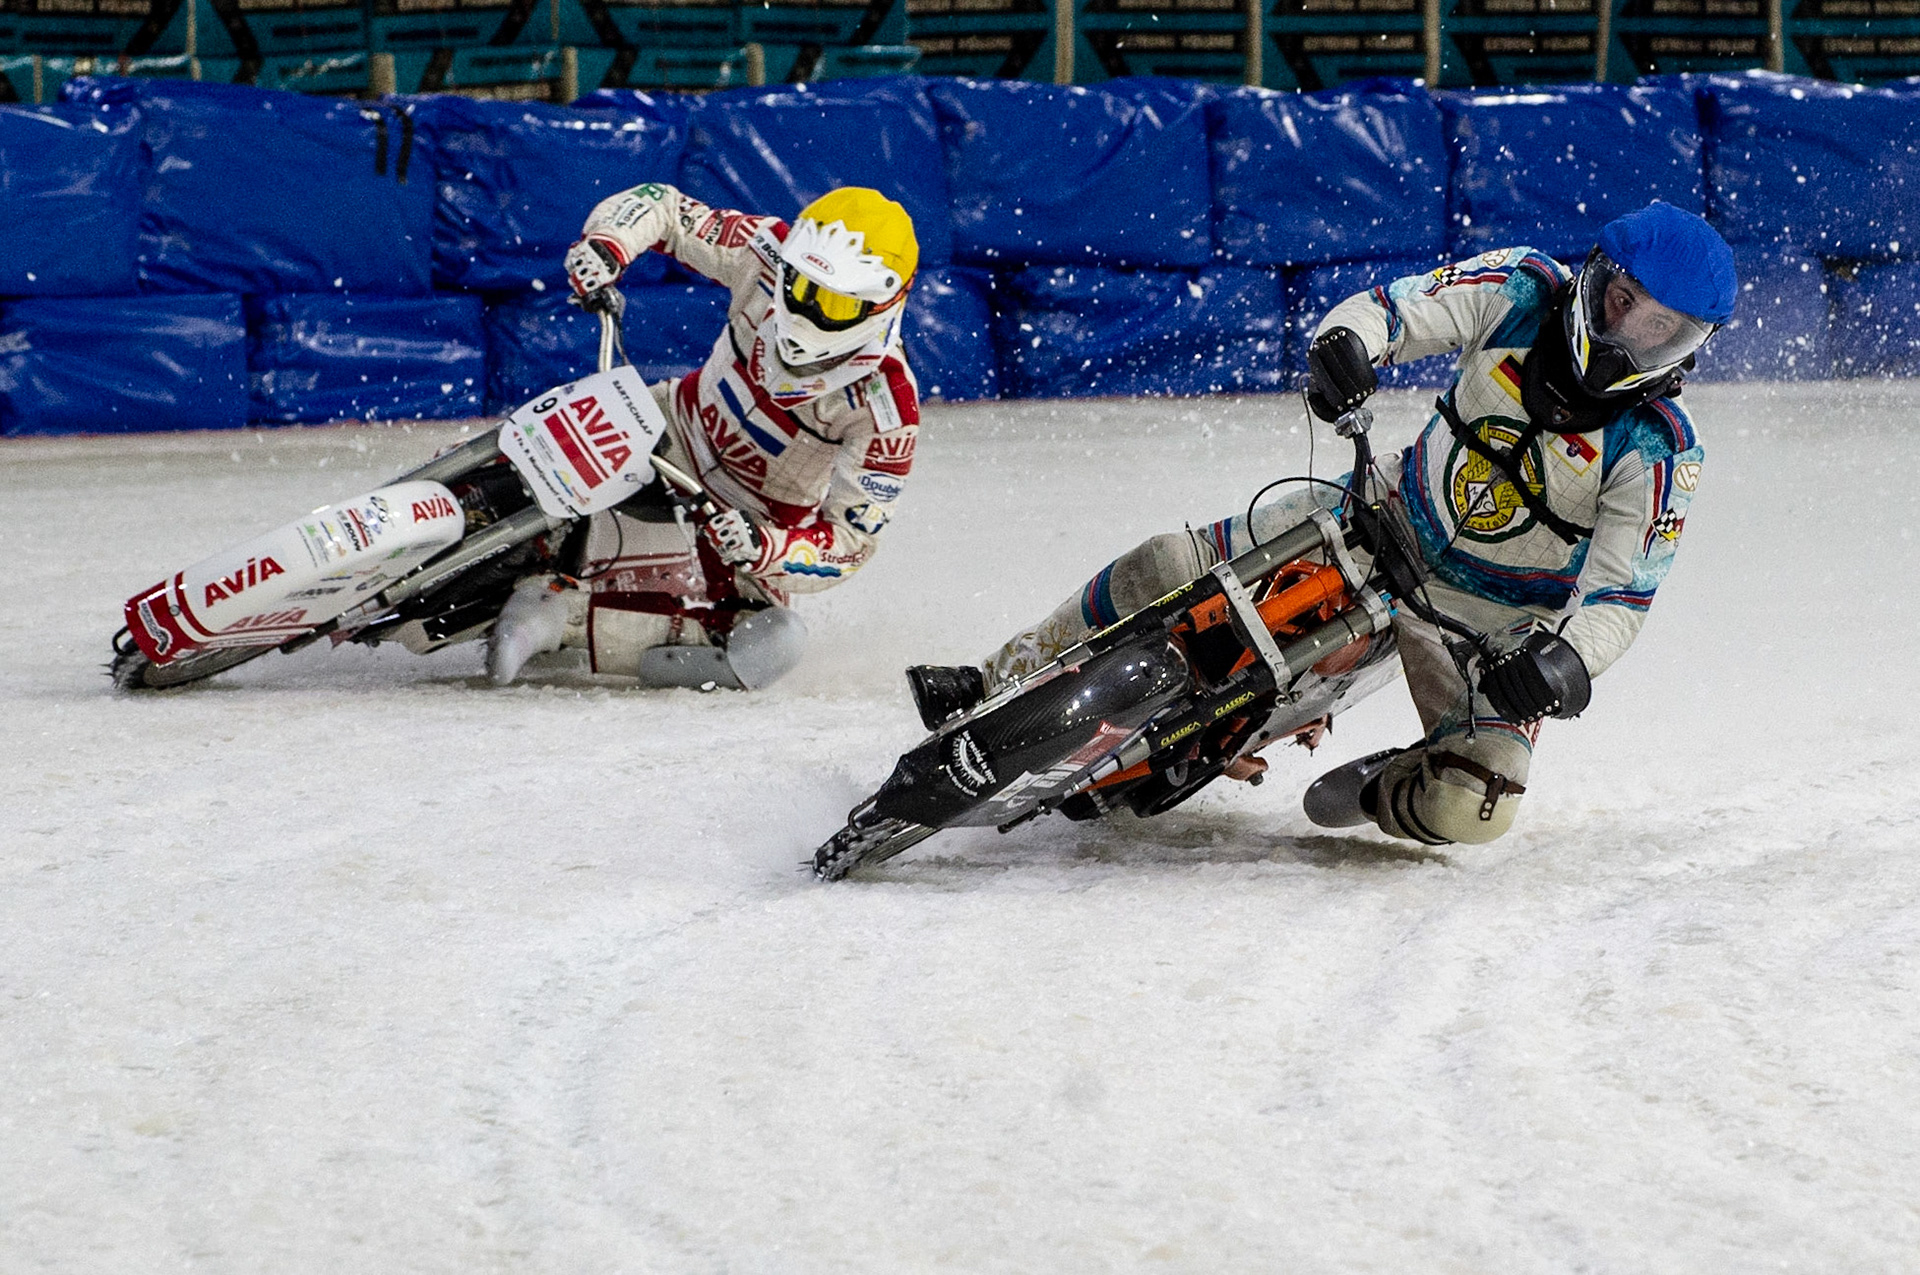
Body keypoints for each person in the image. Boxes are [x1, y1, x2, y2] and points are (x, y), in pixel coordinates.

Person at [906, 200, 1731, 847]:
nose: (1626, 340)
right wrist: (1347, 347)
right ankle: (995, 678)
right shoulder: (1521, 288)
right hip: (1379, 513)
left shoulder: (1662, 449)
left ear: (1689, 347)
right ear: (1595, 276)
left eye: (1660, 331)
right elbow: (1392, 311)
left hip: (1489, 624)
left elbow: (1620, 598)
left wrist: (1560, 664)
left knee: (1471, 808)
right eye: (1623, 303)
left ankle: (1385, 788)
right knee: (1165, 564)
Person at [485, 183, 923, 690]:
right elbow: (665, 207)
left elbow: (849, 543)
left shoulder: (888, 408)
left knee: (774, 641)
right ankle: (466, 489)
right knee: (546, 437)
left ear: (882, 305)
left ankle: (559, 619)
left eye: (836, 304)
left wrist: (766, 548)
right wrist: (609, 244)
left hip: (746, 517)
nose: (808, 313)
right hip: (669, 423)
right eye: (802, 286)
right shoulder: (766, 251)